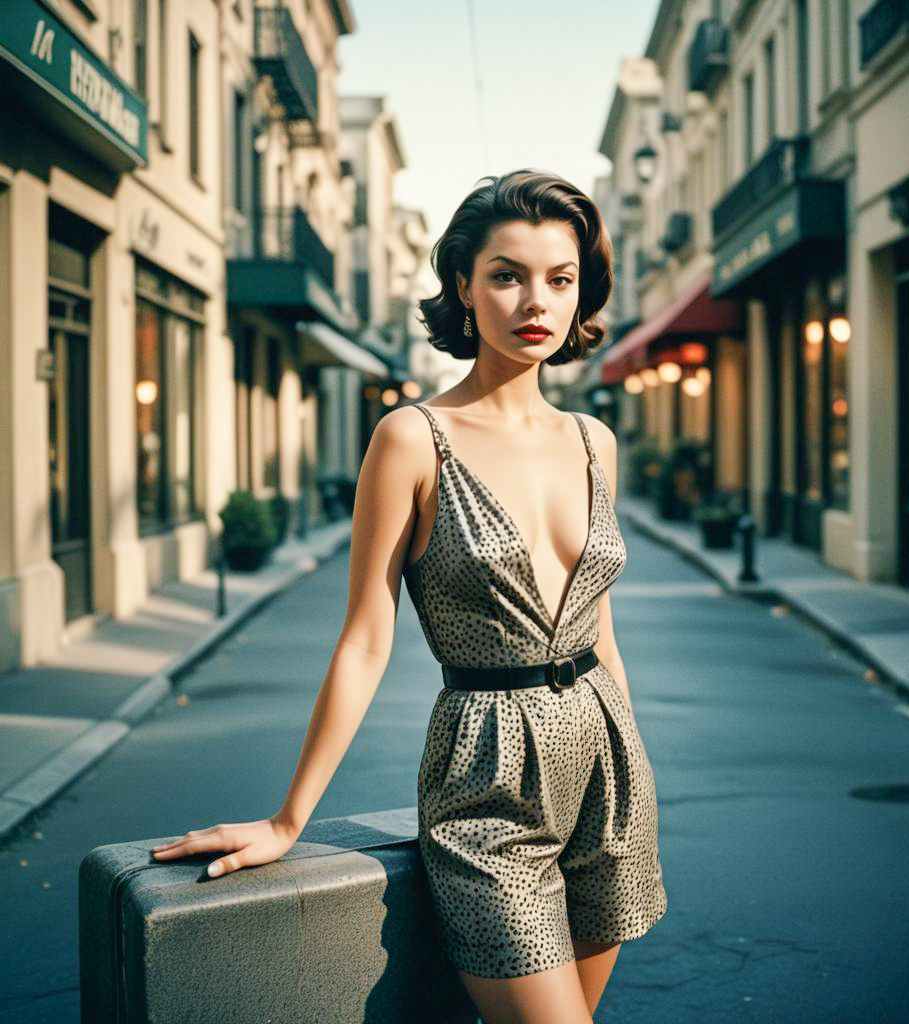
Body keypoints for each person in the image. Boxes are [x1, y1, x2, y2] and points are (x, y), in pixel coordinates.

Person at [150, 169, 668, 1023]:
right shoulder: (412, 438)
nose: (534, 300)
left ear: (582, 292)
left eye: (559, 278)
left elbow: (597, 624)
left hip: (609, 774)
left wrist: (633, 760)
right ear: (463, 285)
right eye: (506, 274)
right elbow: (364, 639)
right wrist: (288, 820)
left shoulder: (593, 440)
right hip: (487, 782)